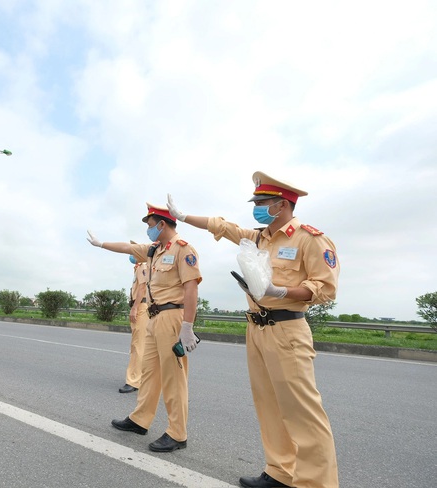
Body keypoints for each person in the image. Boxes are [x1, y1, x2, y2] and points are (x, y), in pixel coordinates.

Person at [166, 171, 339, 488]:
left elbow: (325, 289)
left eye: (263, 202)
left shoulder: (309, 239)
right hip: (256, 329)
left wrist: (280, 291)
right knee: (269, 404)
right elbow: (223, 226)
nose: (257, 207)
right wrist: (184, 216)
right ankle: (280, 471)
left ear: (283, 204)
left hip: (287, 328)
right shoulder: (259, 237)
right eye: (256, 201)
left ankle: (315, 483)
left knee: (301, 411)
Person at [87, 203, 202, 452]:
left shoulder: (183, 250)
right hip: (152, 317)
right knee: (149, 373)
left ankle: (177, 433)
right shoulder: (154, 250)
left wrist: (187, 326)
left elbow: (191, 288)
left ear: (162, 224)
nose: (148, 231)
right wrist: (101, 244)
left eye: (150, 226)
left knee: (174, 378)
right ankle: (140, 419)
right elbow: (128, 248)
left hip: (172, 317)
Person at [119, 251, 148, 394]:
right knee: (141, 344)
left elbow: (142, 288)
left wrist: (135, 308)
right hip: (141, 307)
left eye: (133, 252)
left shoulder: (143, 266)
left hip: (141, 307)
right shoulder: (139, 267)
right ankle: (142, 378)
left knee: (138, 345)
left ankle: (134, 381)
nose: (131, 255)